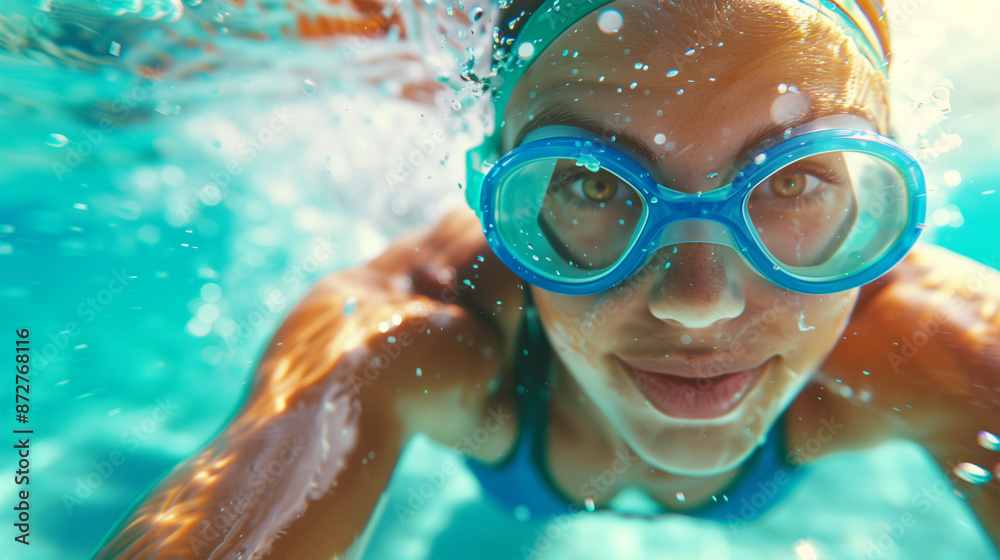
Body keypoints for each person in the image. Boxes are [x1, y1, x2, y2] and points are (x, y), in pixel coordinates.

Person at [93, 0, 999, 558]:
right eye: (593, 183)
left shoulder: (947, 342)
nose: (699, 300)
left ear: (882, 199)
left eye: (794, 181)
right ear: (497, 202)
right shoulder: (413, 333)